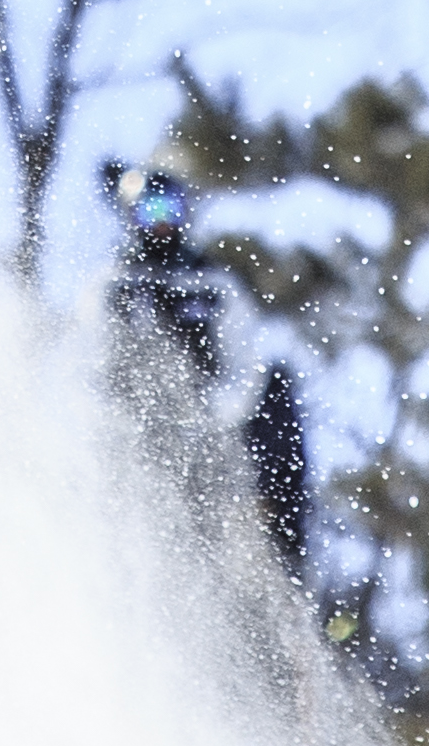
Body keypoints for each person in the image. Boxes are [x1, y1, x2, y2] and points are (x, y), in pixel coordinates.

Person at [98, 161, 310, 576]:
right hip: (134, 432)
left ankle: (286, 553)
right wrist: (123, 417)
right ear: (131, 216)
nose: (161, 224)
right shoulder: (115, 286)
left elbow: (246, 368)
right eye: (149, 212)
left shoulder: (212, 285)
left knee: (278, 395)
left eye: (169, 210)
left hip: (207, 430)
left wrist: (204, 411)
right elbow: (91, 364)